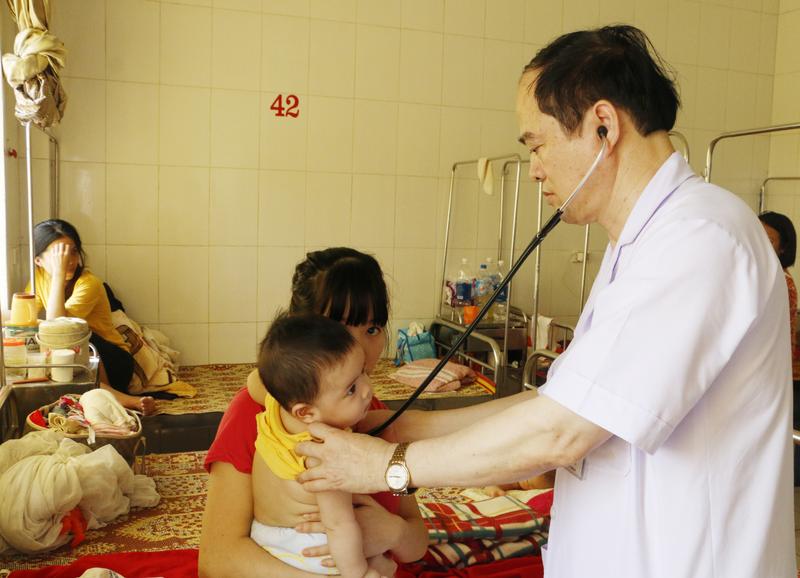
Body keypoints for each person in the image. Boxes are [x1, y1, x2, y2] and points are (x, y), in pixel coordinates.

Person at [295, 25, 796, 577]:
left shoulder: (702, 238)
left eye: (537, 145)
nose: (534, 168)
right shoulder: (640, 244)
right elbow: (561, 404)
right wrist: (400, 427)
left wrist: (389, 466)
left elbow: (562, 432)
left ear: (603, 126)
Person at [199, 248, 427, 578]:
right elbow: (217, 558)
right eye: (338, 329)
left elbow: (416, 542)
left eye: (373, 329)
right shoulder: (255, 414)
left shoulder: (370, 410)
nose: (359, 349)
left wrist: (393, 532)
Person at [249, 313, 393, 577]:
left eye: (362, 371)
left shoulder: (276, 408)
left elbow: (253, 382)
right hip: (307, 547)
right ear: (306, 413)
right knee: (380, 566)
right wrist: (360, 573)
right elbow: (339, 525)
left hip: (261, 538)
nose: (367, 390)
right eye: (351, 390)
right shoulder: (326, 455)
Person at [31, 219, 155, 415]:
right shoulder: (39, 278)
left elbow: (59, 326)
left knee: (74, 337)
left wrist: (58, 274)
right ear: (38, 261)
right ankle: (104, 399)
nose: (69, 260)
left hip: (113, 361)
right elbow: (26, 316)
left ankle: (125, 400)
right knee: (58, 349)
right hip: (82, 360)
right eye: (59, 255)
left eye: (73, 252)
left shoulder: (89, 283)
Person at [759, 210, 800, 486]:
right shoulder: (766, 275)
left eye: (769, 239)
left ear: (783, 248)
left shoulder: (782, 282)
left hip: (779, 375)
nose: (760, 242)